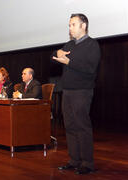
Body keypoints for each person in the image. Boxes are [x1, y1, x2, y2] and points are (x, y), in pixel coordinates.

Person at [52, 14, 100, 175]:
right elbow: (53, 58)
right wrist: (58, 52)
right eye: (69, 25)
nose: (70, 28)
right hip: (68, 91)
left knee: (82, 126)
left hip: (82, 91)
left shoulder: (92, 45)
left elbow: (90, 68)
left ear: (83, 26)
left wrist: (69, 62)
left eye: (73, 24)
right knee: (70, 126)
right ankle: (74, 160)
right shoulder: (69, 44)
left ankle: (88, 163)